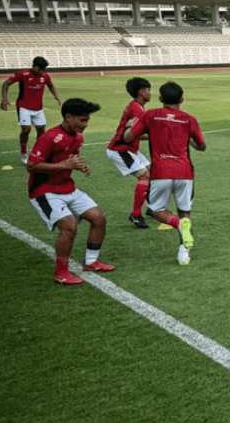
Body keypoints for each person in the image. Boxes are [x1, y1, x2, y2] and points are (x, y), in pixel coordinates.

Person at [27, 98, 114, 285]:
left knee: (99, 218)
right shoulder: (49, 137)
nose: (86, 124)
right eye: (82, 120)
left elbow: (73, 157)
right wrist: (64, 165)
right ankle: (61, 272)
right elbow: (31, 165)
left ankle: (91, 262)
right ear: (68, 118)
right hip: (44, 191)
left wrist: (79, 166)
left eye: (87, 120)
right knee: (69, 226)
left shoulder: (78, 137)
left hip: (68, 187)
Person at [123, 81, 206, 265]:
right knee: (185, 213)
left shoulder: (151, 115)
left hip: (161, 172)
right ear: (182, 99)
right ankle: (184, 253)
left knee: (154, 210)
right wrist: (188, 141)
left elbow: (128, 138)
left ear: (161, 98)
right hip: (185, 172)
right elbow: (202, 146)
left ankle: (176, 224)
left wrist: (130, 125)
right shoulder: (189, 119)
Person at [105, 77, 153, 229]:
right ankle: (136, 215)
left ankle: (153, 207)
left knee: (153, 172)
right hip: (120, 149)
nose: (150, 93)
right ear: (141, 92)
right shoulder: (137, 109)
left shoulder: (137, 106)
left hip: (130, 148)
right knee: (145, 176)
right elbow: (132, 134)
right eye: (148, 90)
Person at [0, 56, 62, 164]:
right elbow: (6, 83)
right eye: (42, 69)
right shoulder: (23, 74)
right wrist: (4, 99)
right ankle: (24, 153)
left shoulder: (45, 76)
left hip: (38, 108)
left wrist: (55, 95)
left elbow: (51, 86)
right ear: (35, 67)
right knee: (26, 130)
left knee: (41, 131)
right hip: (23, 107)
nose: (44, 71)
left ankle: (37, 152)